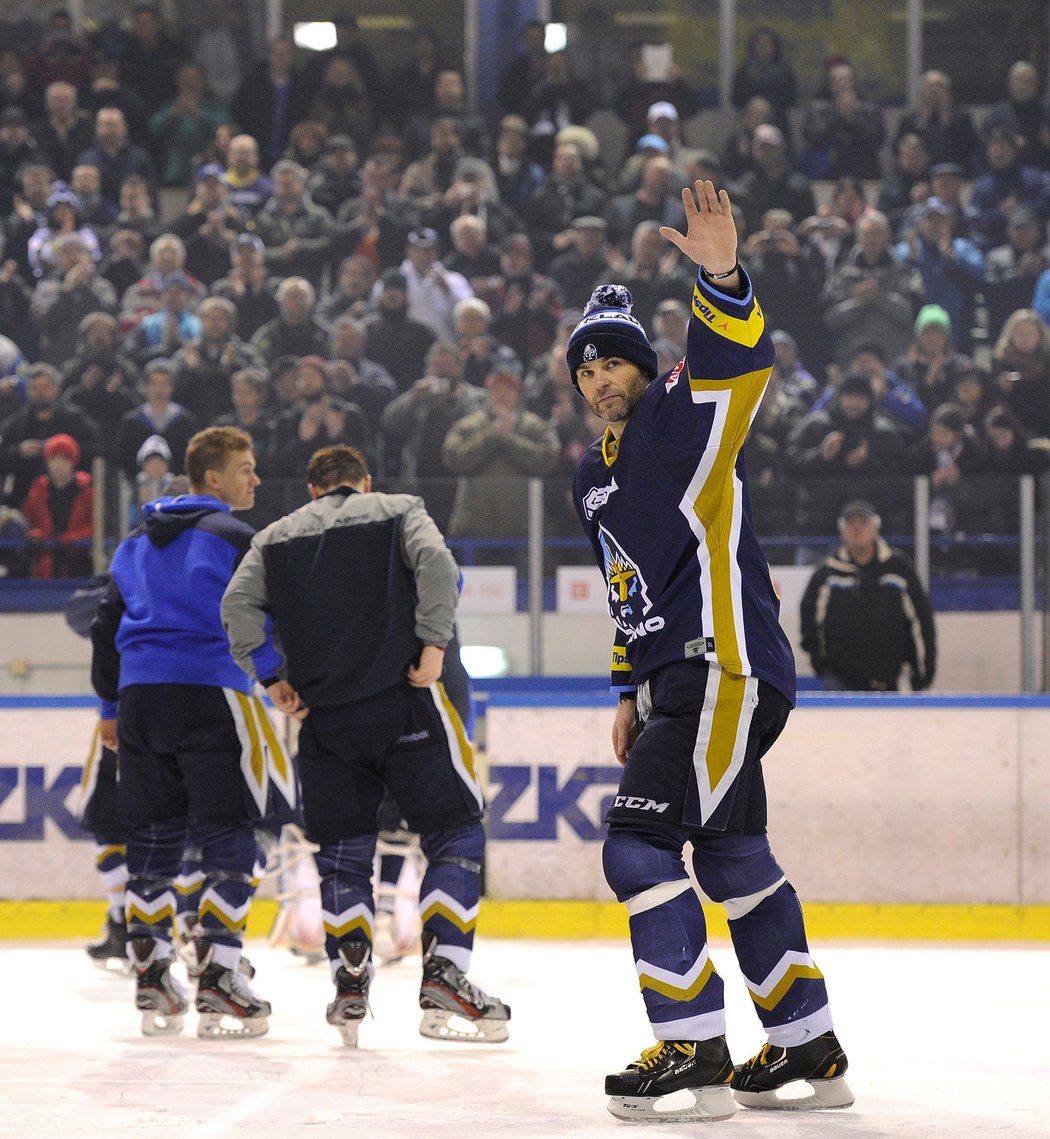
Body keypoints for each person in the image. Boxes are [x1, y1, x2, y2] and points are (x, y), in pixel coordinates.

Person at [567, 178, 852, 1121]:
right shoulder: (591, 479)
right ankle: (807, 1048)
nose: (603, 378)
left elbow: (737, 357)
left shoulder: (683, 416)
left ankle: (690, 1044)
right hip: (682, 677)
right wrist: (624, 690)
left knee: (636, 845)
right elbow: (626, 591)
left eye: (616, 361)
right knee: (734, 859)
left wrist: (723, 273)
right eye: (588, 369)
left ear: (644, 368)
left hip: (720, 668)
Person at [220, 443, 510, 1048]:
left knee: (344, 854)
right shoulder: (399, 509)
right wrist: (433, 643)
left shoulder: (273, 538)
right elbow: (438, 565)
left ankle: (349, 981)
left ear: (311, 489)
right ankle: (445, 971)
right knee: (456, 829)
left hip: (324, 721)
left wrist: (272, 677)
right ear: (363, 481)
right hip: (402, 702)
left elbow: (236, 607)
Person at [90, 426, 289, 1038]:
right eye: (245, 469)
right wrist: (280, 674)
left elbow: (105, 625)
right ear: (212, 478)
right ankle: (221, 976)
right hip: (211, 693)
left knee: (151, 839)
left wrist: (108, 706)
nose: (254, 479)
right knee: (234, 835)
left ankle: (152, 978)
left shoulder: (133, 543)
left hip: (140, 701)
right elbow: (270, 611)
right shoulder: (235, 537)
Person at [800, 500, 936, 692]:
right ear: (842, 531)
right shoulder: (828, 572)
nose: (857, 529)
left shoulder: (899, 569)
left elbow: (921, 620)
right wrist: (821, 663)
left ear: (876, 528)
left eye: (863, 523)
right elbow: (810, 618)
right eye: (851, 524)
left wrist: (922, 674)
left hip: (889, 681)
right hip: (839, 682)